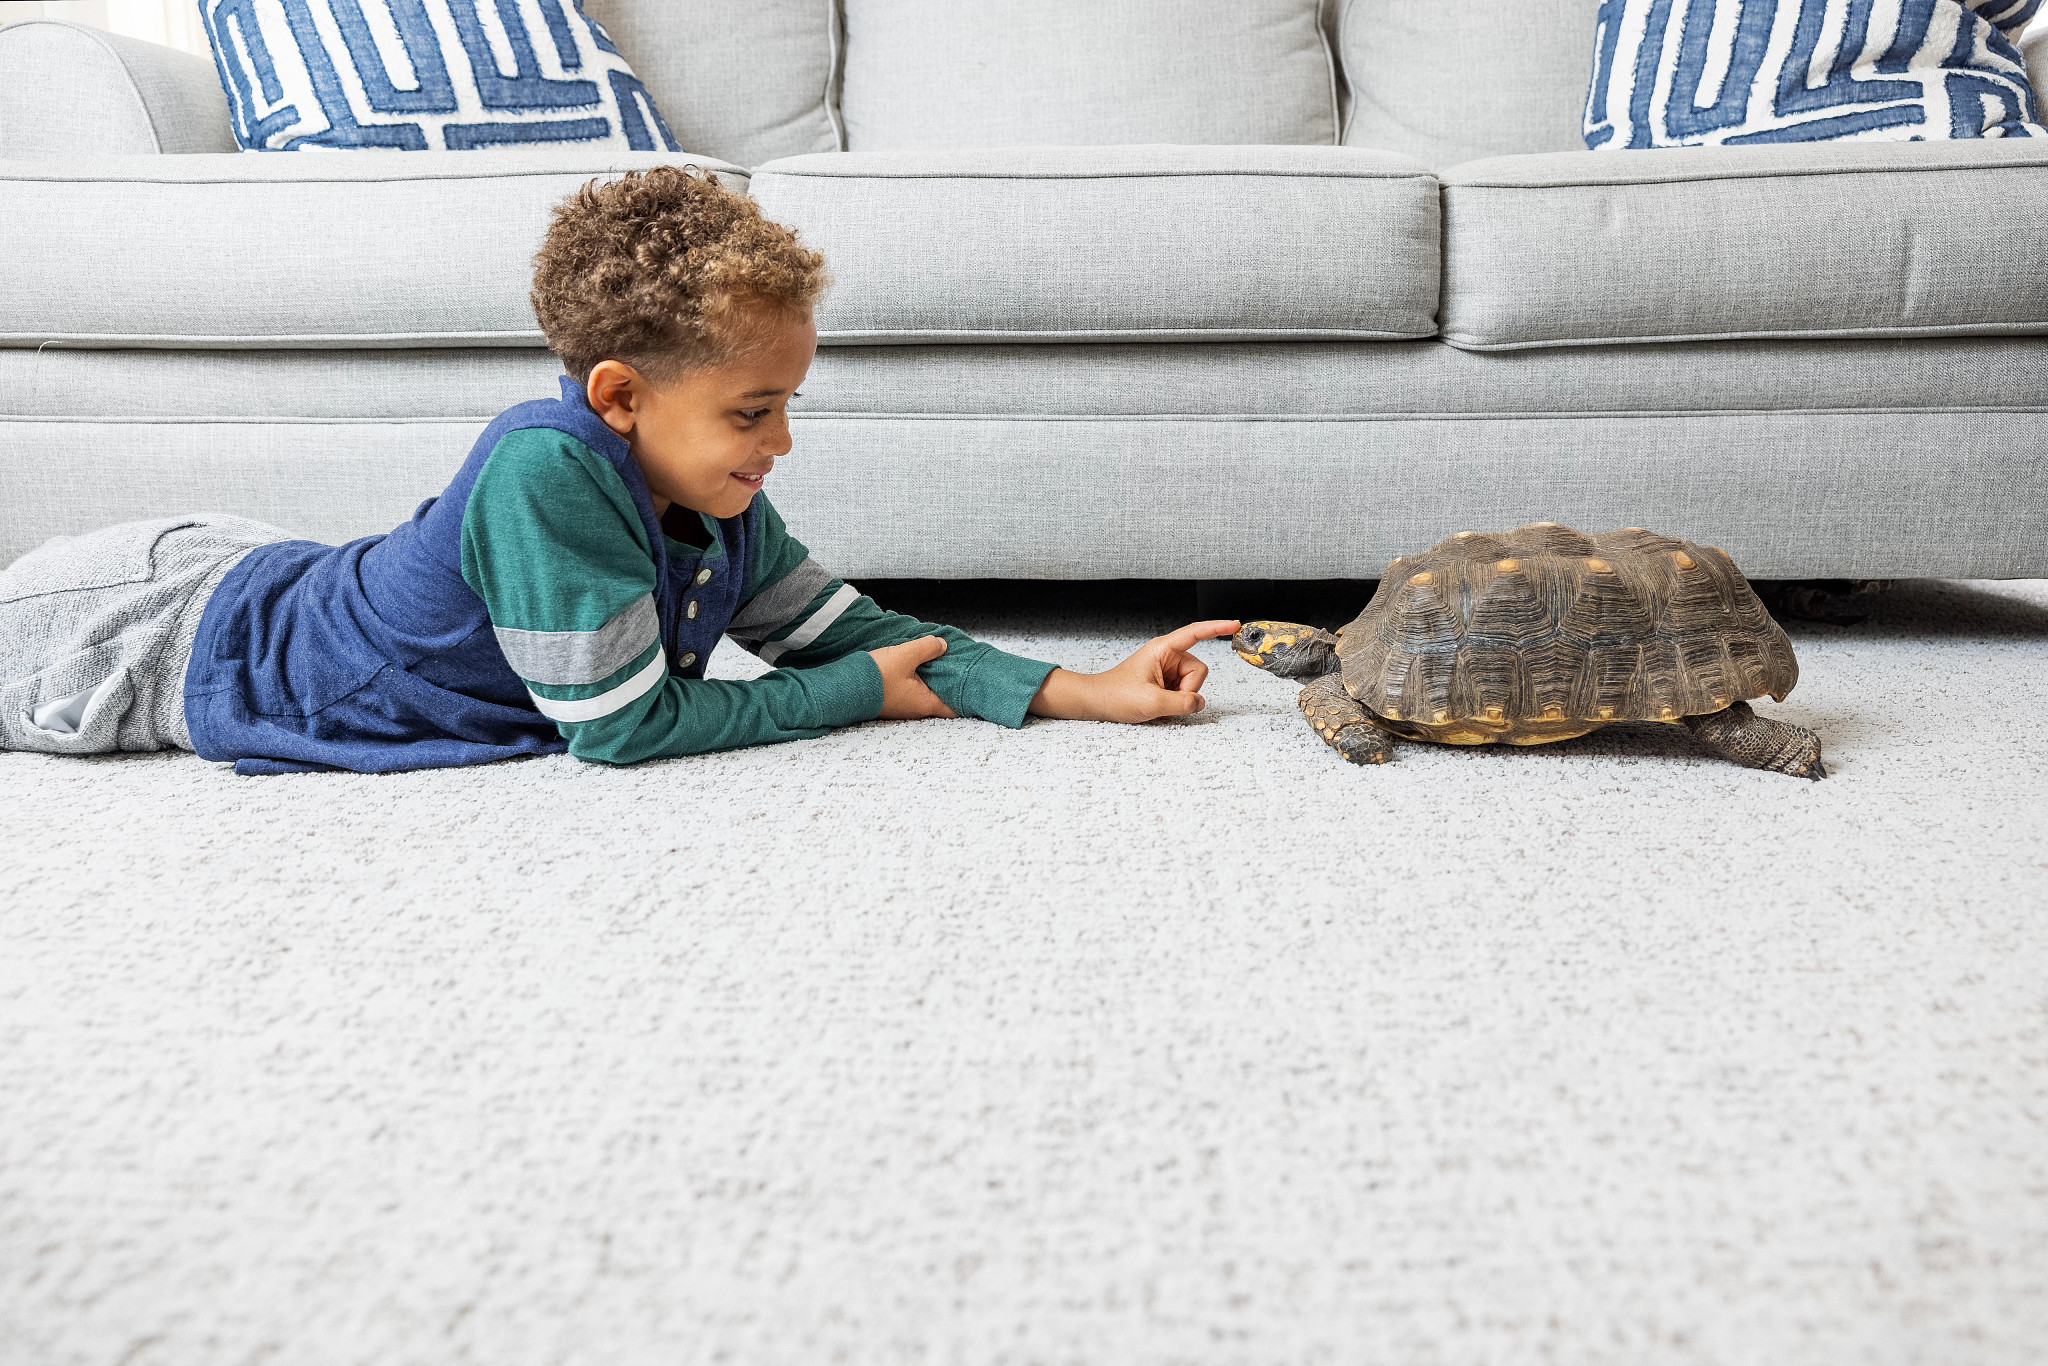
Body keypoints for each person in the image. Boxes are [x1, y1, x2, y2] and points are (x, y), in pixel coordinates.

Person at [0, 167, 1238, 775]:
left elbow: (853, 632)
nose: (782, 443)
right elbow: (625, 727)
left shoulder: (712, 498)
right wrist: (848, 697)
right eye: (754, 410)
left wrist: (1081, 687)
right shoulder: (545, 470)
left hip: (257, 562)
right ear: (619, 398)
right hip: (153, 633)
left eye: (787, 405)